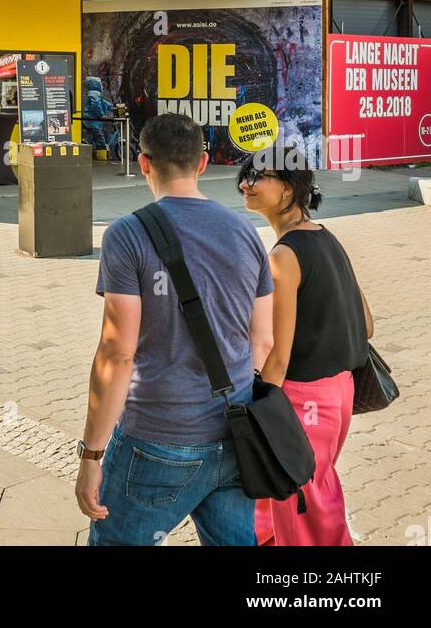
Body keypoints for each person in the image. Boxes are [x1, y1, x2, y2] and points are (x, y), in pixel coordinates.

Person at [76, 112, 274, 547]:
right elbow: (263, 340)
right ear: (203, 163)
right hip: (235, 434)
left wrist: (91, 453)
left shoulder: (127, 235)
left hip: (158, 436)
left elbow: (117, 352)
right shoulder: (245, 230)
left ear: (143, 163)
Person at [238, 149, 373, 546]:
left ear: (287, 190)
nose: (246, 184)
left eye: (257, 177)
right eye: (245, 176)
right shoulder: (325, 237)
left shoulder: (283, 256)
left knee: (308, 510)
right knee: (288, 498)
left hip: (301, 401)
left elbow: (277, 353)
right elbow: (366, 324)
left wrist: (260, 410)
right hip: (340, 393)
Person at [82, 75, 121, 161]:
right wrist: (101, 115)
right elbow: (96, 105)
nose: (102, 85)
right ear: (96, 84)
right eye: (100, 84)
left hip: (90, 120)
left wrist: (113, 107)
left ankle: (95, 154)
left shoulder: (92, 93)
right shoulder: (95, 93)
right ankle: (102, 157)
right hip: (93, 120)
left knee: (94, 137)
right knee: (99, 138)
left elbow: (104, 103)